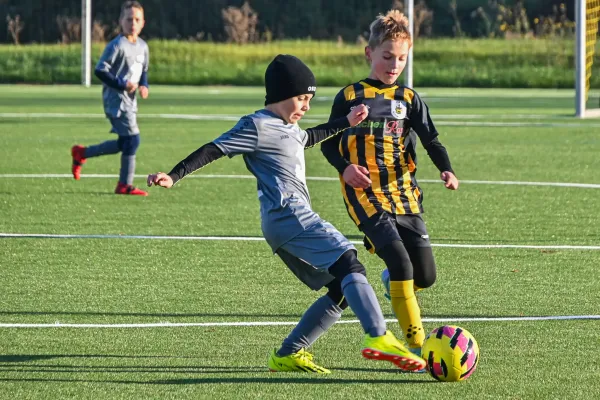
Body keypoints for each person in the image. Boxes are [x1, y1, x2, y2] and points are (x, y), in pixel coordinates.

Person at [147, 54, 426, 374]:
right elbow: (214, 148)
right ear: (281, 95)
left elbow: (309, 138)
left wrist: (345, 123)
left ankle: (289, 353)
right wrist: (174, 174)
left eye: (309, 99)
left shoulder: (290, 127)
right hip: (290, 216)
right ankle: (379, 336)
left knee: (341, 287)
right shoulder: (256, 125)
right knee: (350, 262)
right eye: (301, 98)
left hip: (285, 223)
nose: (306, 106)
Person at [320, 10, 459, 360]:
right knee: (401, 263)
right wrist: (345, 167)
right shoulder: (351, 96)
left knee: (424, 276)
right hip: (365, 195)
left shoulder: (409, 99)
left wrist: (446, 169)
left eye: (401, 58)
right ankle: (418, 346)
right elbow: (326, 141)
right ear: (369, 53)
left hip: (404, 194)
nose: (394, 65)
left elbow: (431, 139)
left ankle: (391, 283)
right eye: (387, 57)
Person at [71, 1, 150, 196]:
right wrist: (122, 84)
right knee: (133, 140)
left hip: (130, 101)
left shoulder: (142, 46)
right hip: (115, 101)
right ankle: (124, 185)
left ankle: (82, 153)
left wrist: (144, 85)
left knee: (125, 143)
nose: (133, 23)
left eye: (137, 19)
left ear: (143, 23)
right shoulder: (117, 45)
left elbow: (143, 71)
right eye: (128, 19)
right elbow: (100, 70)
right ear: (120, 21)